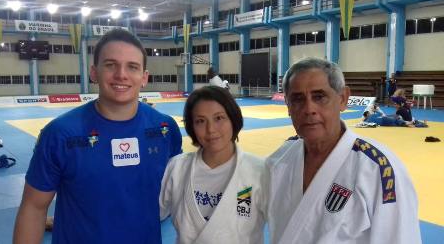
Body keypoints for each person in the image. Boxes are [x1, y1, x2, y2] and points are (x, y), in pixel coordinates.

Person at [13, 29, 182, 243]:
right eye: (111, 65)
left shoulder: (165, 130)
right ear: (94, 72)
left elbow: (178, 195)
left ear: (144, 77)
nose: (121, 74)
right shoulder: (60, 134)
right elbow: (34, 208)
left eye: (132, 67)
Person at [266, 57, 421, 244]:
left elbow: (399, 238)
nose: (309, 109)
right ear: (288, 106)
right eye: (297, 99)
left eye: (319, 97)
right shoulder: (278, 161)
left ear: (343, 99)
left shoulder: (378, 169)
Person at [160, 86, 266, 243]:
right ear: (192, 126)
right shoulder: (177, 168)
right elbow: (153, 214)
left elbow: (287, 227)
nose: (211, 129)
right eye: (200, 121)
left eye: (219, 118)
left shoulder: (260, 171)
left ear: (233, 119)